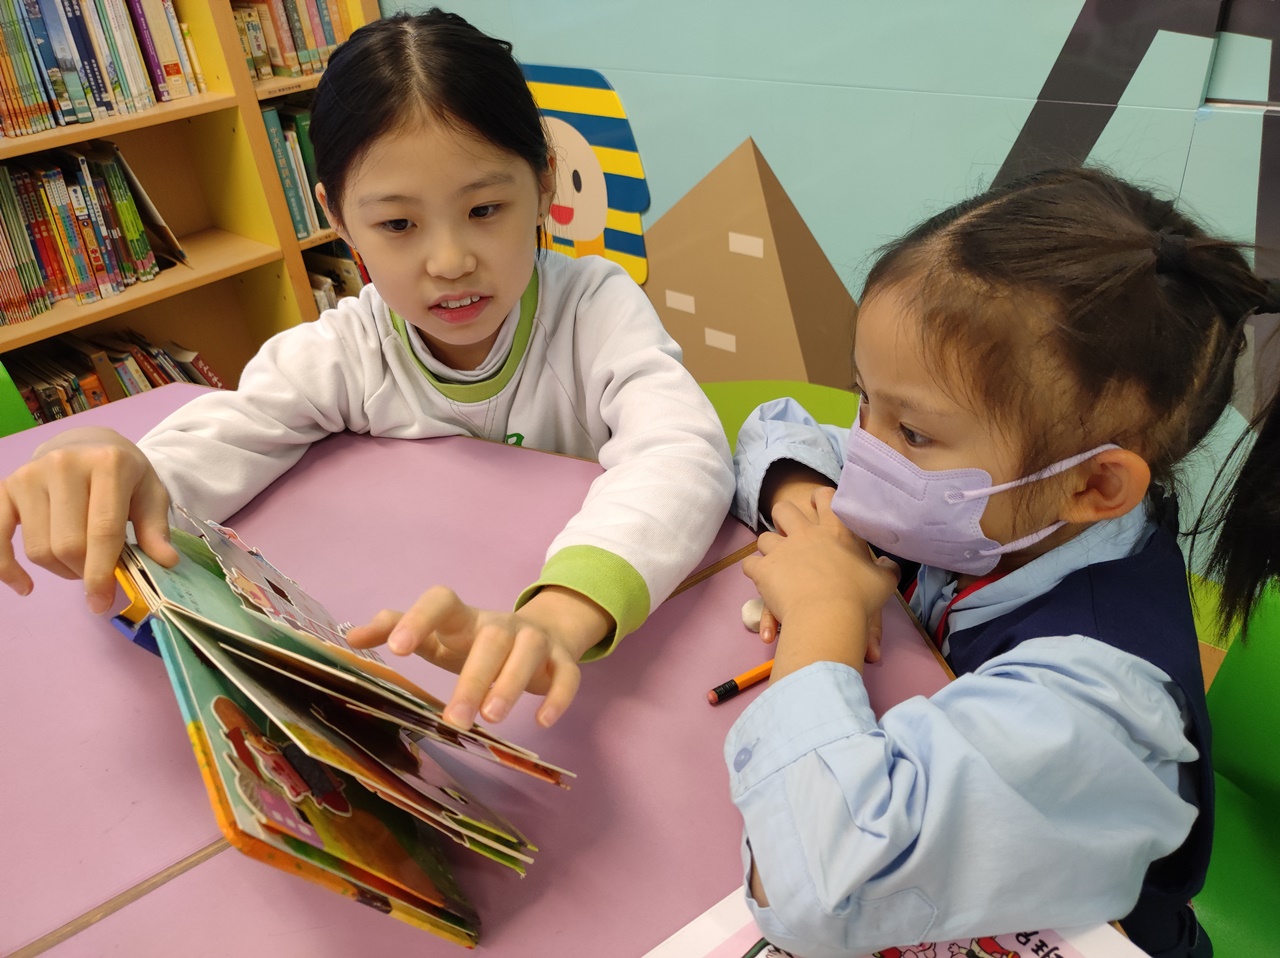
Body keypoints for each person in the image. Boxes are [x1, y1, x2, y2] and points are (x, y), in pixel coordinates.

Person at [0, 9, 733, 732]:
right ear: (338, 217)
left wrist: (562, 613)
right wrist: (118, 470)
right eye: (398, 224)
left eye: (485, 209)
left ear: (543, 186)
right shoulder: (348, 348)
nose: (450, 261)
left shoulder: (594, 310)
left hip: (604, 671)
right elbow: (231, 433)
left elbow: (681, 452)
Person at [725, 167, 1278, 958]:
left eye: (913, 432)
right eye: (863, 396)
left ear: (1095, 485)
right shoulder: (1011, 512)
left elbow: (816, 885)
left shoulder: (1095, 710)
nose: (867, 452)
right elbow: (777, 428)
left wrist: (823, 612)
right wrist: (802, 502)